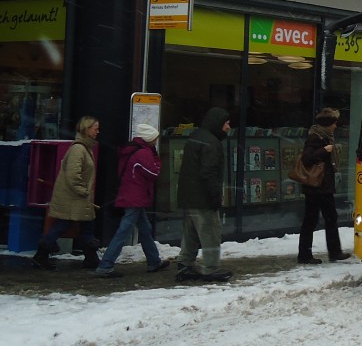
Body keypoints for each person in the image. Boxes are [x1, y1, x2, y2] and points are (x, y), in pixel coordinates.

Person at [95, 124, 170, 278]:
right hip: (135, 197)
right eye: (155, 138)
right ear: (149, 138)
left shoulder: (132, 149)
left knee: (144, 229)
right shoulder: (143, 153)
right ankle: (106, 264)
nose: (156, 141)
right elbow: (154, 172)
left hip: (131, 195)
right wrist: (156, 157)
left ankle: (154, 260)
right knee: (123, 232)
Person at [32, 116, 103, 270]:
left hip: (78, 198)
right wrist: (83, 191)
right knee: (69, 224)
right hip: (75, 197)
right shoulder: (79, 149)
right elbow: (73, 175)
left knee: (84, 225)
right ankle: (41, 254)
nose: (98, 131)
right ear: (86, 129)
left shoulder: (85, 147)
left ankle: (91, 258)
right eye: (95, 128)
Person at [175, 107, 233, 282]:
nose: (229, 127)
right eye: (226, 123)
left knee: (190, 233)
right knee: (210, 234)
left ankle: (184, 264)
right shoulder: (211, 143)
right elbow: (209, 173)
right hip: (202, 198)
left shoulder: (196, 137)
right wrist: (215, 196)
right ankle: (210, 268)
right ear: (217, 123)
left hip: (189, 196)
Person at [297, 107, 352, 265]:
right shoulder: (316, 138)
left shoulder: (325, 136)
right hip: (316, 188)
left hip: (321, 186)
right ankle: (306, 255)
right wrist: (323, 150)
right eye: (334, 123)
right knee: (312, 220)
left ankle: (333, 252)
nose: (336, 126)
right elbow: (307, 159)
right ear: (328, 124)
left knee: (328, 218)